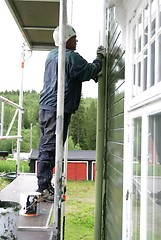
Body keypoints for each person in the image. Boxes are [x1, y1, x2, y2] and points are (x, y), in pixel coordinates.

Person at [37, 24, 106, 202]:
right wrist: (100, 58)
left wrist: (90, 74)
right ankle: (43, 187)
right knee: (50, 146)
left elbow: (75, 74)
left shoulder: (52, 55)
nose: (77, 40)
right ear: (66, 39)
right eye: (74, 37)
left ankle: (45, 184)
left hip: (47, 107)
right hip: (56, 109)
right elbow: (88, 70)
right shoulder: (70, 57)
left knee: (48, 145)